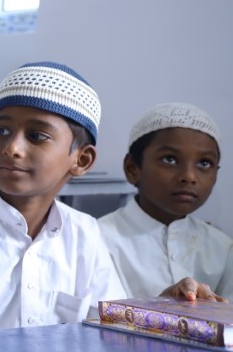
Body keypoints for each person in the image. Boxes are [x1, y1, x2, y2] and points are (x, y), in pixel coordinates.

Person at [0, 62, 222, 336]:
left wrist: (162, 306)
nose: (12, 148)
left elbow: (108, 325)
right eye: (2, 131)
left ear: (81, 161)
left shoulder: (84, 234)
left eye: (37, 136)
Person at [98, 102, 233, 300]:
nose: (189, 176)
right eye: (169, 159)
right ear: (132, 168)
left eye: (204, 163)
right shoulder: (97, 239)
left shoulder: (222, 247)